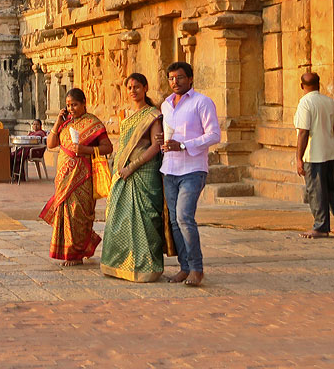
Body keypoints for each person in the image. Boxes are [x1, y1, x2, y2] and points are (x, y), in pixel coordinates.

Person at [156, 61, 220, 287]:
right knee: (174, 221)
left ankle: (196, 268)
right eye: (171, 78)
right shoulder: (165, 105)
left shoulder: (202, 102)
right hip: (169, 168)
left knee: (184, 217)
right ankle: (184, 267)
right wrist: (163, 142)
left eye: (180, 77)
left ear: (190, 79)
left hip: (193, 169)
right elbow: (169, 134)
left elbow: (214, 135)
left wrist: (183, 145)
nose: (175, 82)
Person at [100, 74, 166, 282]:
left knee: (145, 220)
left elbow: (155, 146)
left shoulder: (153, 115)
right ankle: (120, 265)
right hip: (123, 173)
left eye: (137, 86)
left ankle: (146, 267)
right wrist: (120, 168)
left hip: (144, 174)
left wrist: (133, 166)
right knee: (119, 218)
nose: (132, 90)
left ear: (145, 88)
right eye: (129, 87)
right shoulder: (126, 116)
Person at [41, 88, 113, 266]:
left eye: (74, 105)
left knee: (78, 214)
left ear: (83, 104)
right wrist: (58, 122)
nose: (71, 108)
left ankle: (77, 254)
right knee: (65, 214)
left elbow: (108, 147)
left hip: (82, 177)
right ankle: (67, 251)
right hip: (63, 177)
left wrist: (86, 150)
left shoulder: (93, 123)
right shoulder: (65, 124)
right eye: (68, 105)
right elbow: (51, 144)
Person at [293, 72, 334, 239]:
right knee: (332, 191)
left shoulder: (305, 103)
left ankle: (321, 226)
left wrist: (298, 158)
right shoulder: (329, 102)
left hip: (314, 154)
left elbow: (303, 132)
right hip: (330, 152)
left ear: (302, 86)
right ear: (319, 84)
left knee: (316, 192)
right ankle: (322, 225)